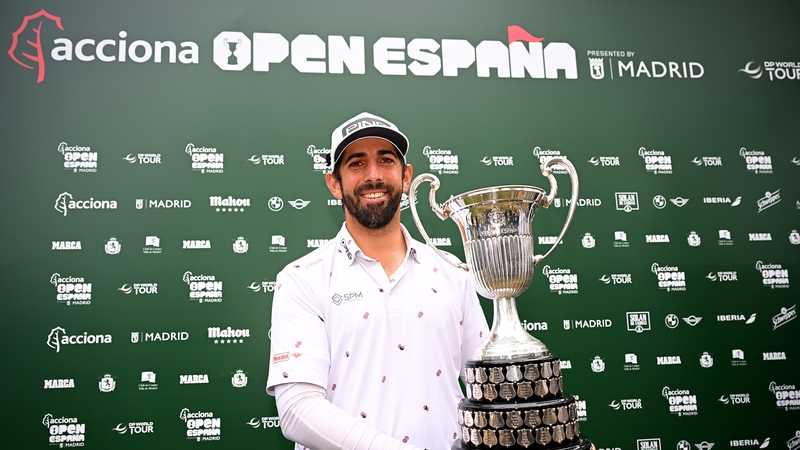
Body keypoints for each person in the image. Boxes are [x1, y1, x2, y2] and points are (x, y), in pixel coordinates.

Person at [266, 112, 490, 450]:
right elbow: (298, 410)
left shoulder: (452, 271)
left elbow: (488, 390)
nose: (373, 175)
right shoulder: (302, 279)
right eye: (356, 163)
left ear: (406, 176)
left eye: (385, 160)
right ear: (334, 184)